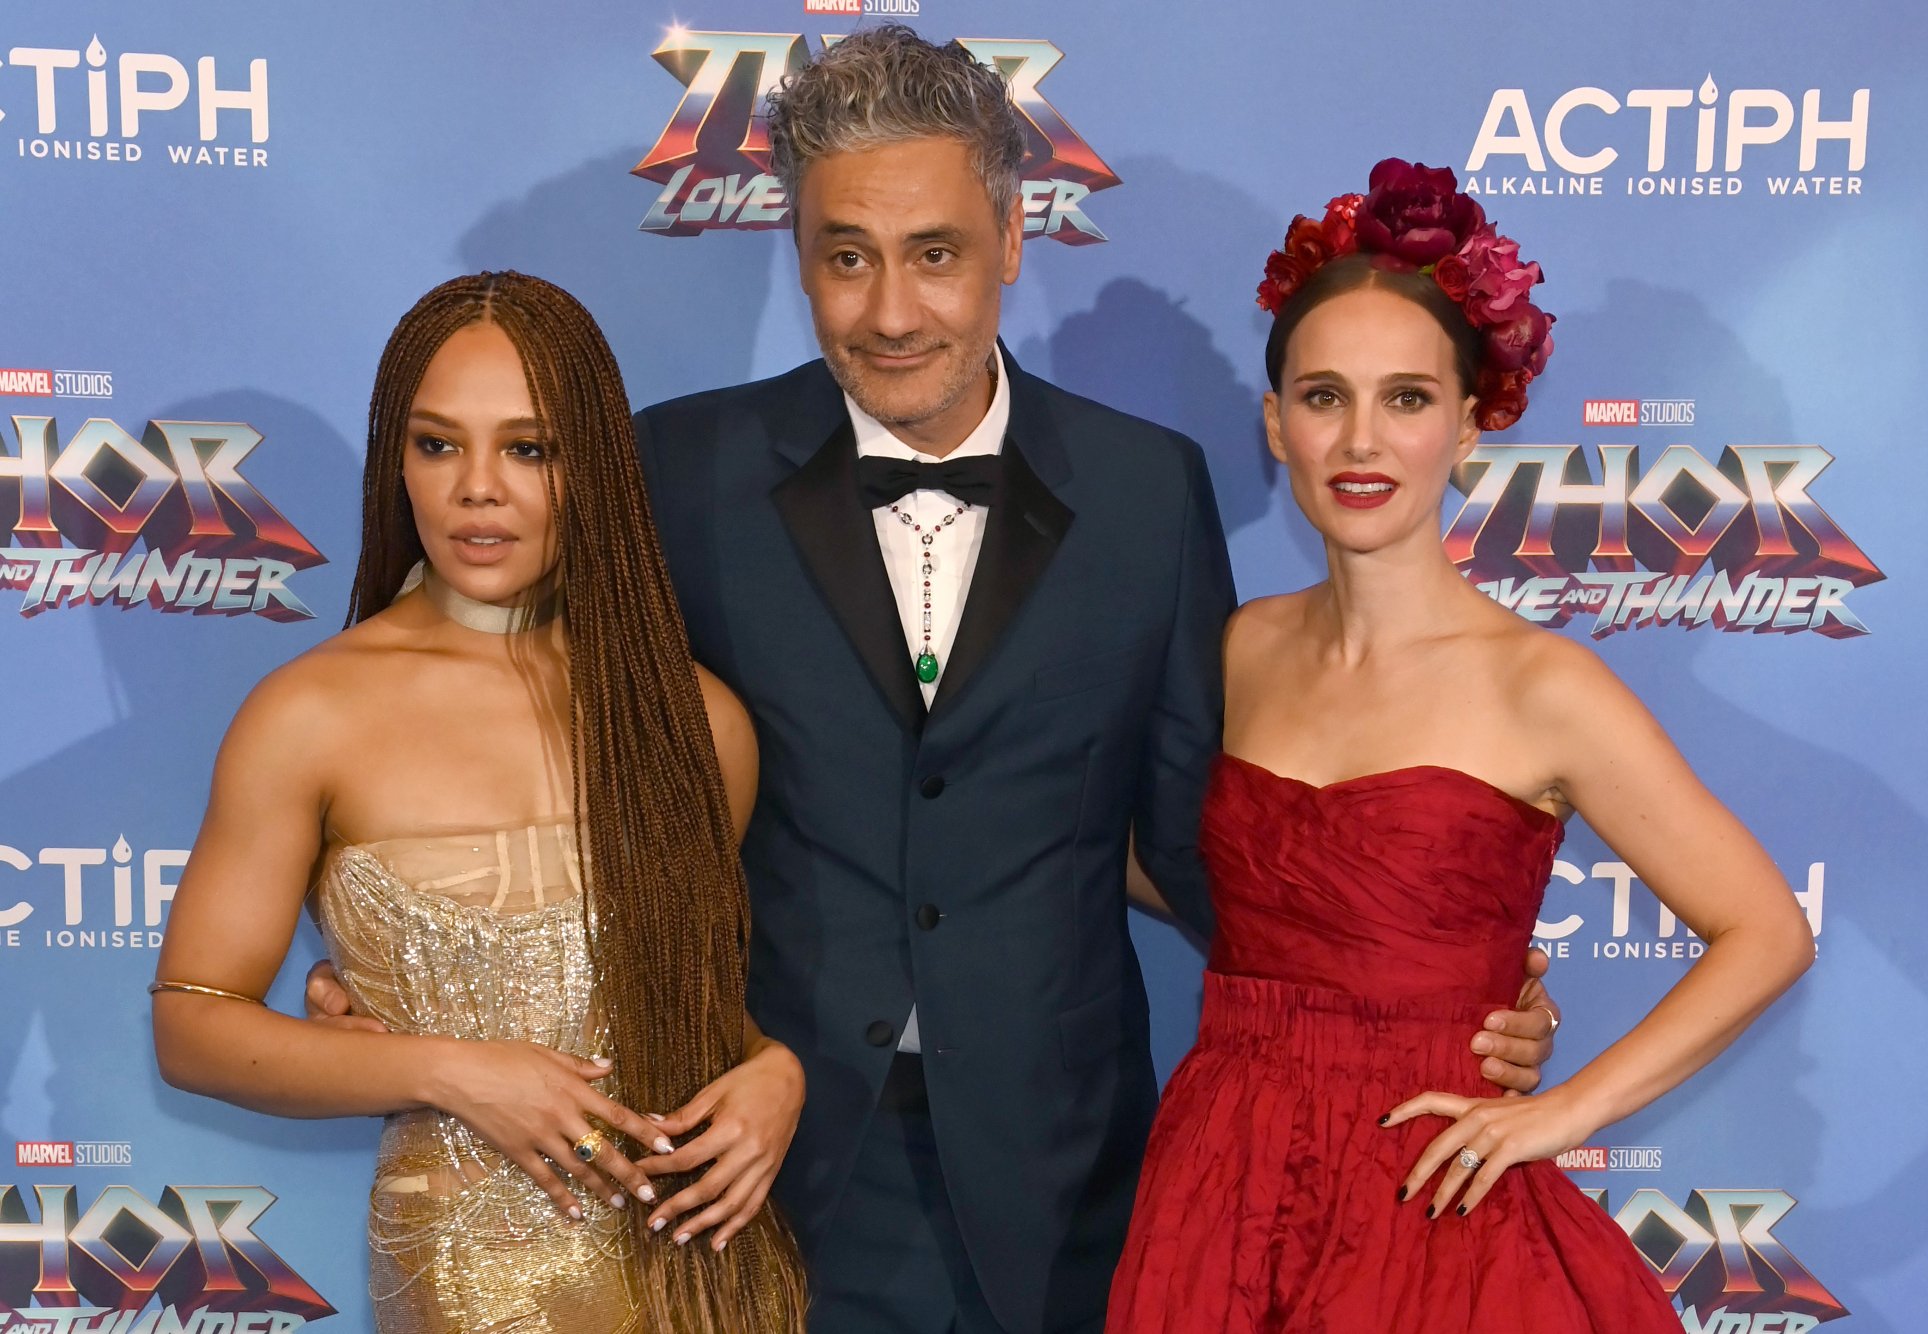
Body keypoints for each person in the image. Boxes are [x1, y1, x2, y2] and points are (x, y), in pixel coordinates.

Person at [311, 30, 1562, 1333]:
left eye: (935, 254)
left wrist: (1430, 993)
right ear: (795, 250)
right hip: (750, 1162)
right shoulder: (679, 471)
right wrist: (399, 950)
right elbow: (495, 694)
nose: (892, 310)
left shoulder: (1147, 491)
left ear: (1013, 237)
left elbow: (1201, 835)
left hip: (1067, 1174)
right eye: (846, 256)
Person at [1105, 161, 1818, 1331]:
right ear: (1274, 423)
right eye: (1323, 395)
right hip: (1218, 1177)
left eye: (1406, 397)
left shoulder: (1544, 685)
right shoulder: (1234, 647)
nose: (1361, 437)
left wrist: (1562, 1108)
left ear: (1470, 421)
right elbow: (1183, 868)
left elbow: (1765, 929)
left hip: (1431, 1186)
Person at [151, 272, 810, 1333]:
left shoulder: (695, 720)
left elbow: (676, 998)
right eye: (438, 444)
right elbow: (191, 1025)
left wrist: (772, 1070)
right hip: (470, 1283)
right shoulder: (309, 712)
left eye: (529, 447)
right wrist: (448, 1068)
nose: (478, 489)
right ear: (396, 462)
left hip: (705, 1272)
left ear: (589, 465)